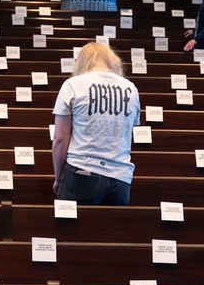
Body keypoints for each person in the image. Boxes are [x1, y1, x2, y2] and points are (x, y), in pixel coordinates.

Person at [51, 42, 140, 206]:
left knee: (68, 231)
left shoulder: (73, 84)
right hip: (121, 179)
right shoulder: (131, 89)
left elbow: (60, 140)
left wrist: (59, 178)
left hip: (81, 172)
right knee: (109, 232)